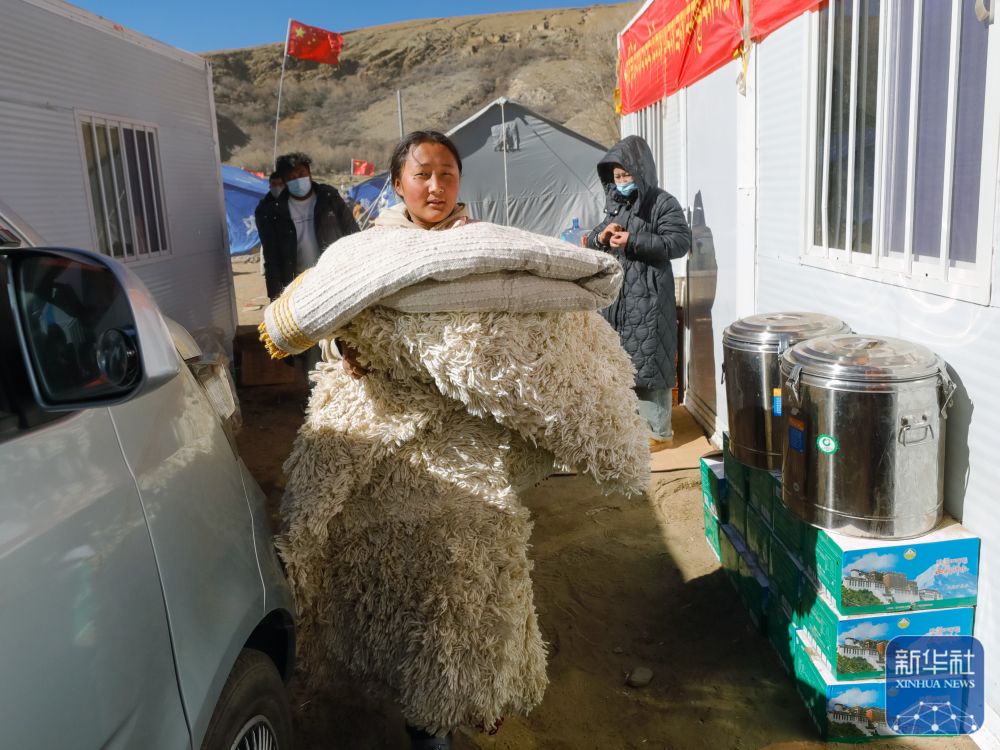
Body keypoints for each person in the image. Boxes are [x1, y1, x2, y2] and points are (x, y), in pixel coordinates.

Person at [586, 135, 691, 451]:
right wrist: (602, 237)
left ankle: (659, 433)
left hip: (649, 297)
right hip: (619, 300)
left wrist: (633, 241)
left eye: (627, 175)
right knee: (623, 364)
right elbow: (594, 239)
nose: (621, 182)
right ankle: (634, 429)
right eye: (617, 177)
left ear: (641, 171)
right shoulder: (617, 205)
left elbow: (678, 243)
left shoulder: (662, 203)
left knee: (650, 363)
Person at [258, 152, 359, 300]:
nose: (298, 180)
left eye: (301, 174)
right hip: (297, 285)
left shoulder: (329, 198)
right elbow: (271, 256)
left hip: (335, 277)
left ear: (309, 173)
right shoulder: (275, 212)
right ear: (284, 181)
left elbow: (353, 233)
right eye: (291, 177)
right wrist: (275, 294)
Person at [254, 171, 284, 278]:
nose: (277, 187)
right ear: (270, 186)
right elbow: (264, 234)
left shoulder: (294, 204)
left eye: (280, 184)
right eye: (274, 184)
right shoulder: (262, 207)